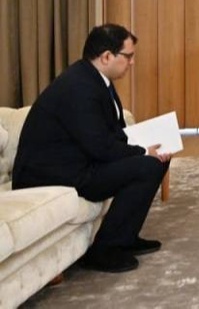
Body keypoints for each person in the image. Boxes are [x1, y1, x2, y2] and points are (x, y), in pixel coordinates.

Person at [12, 24, 171, 273]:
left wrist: (146, 144)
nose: (132, 63)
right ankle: (104, 251)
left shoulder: (96, 79)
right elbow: (99, 146)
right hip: (55, 173)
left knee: (158, 159)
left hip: (80, 161)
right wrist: (142, 152)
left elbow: (112, 132)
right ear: (106, 56)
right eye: (128, 56)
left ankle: (125, 238)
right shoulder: (79, 86)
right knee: (147, 166)